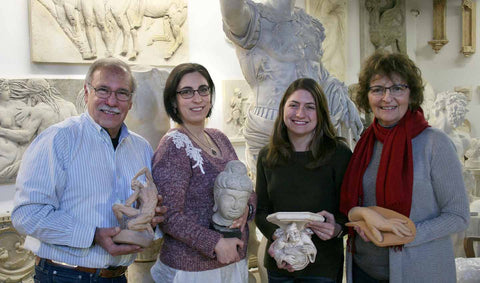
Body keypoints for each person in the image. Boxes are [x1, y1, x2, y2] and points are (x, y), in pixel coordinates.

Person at [11, 58, 167, 283]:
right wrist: (93, 235)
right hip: (65, 275)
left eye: (122, 93)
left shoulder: (141, 147)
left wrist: (152, 219)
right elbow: (26, 215)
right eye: (103, 90)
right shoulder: (58, 139)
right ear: (86, 92)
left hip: (118, 277)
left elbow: (143, 211)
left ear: (130, 101)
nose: (112, 101)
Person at [339, 51, 470, 283]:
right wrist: (362, 223)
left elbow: (457, 216)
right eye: (377, 89)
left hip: (419, 271)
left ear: (411, 94)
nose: (386, 98)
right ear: (367, 97)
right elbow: (359, 204)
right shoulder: (365, 142)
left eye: (397, 88)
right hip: (364, 270)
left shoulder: (435, 143)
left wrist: (404, 233)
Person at [220, 0, 362, 176]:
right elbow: (230, 10)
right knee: (270, 195)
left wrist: (339, 95)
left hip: (311, 126)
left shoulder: (308, 23)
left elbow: (316, 72)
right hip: (268, 126)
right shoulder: (251, 19)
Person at [150, 63, 256, 283]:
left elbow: (247, 189)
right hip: (193, 270)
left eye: (203, 90)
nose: (197, 98)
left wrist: (248, 208)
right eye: (186, 92)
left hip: (232, 262)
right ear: (174, 101)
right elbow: (169, 216)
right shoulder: (173, 146)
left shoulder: (220, 138)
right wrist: (214, 243)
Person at [255, 78, 352, 282]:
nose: (300, 114)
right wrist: (278, 236)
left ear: (321, 114)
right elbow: (261, 210)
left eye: (310, 107)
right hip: (279, 264)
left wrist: (337, 229)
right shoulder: (267, 156)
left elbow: (350, 211)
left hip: (322, 267)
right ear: (283, 109)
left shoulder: (339, 153)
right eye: (293, 105)